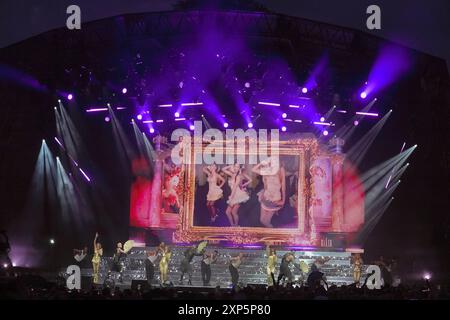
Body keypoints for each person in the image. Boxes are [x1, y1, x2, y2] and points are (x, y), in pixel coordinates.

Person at [252, 158, 286, 227]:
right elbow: (253, 169)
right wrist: (262, 162)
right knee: (262, 220)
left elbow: (283, 187)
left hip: (274, 200)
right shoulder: (266, 171)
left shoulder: (280, 170)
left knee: (266, 221)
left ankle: (273, 235)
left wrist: (283, 201)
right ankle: (269, 235)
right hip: (265, 197)